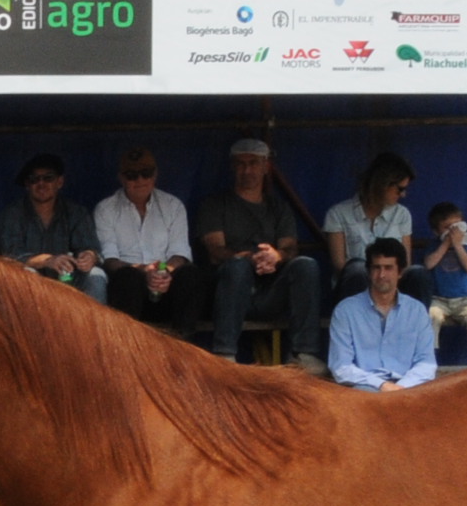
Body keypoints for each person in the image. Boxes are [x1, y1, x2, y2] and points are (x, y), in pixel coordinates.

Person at [197, 138, 326, 372]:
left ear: (266, 166)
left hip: (270, 292)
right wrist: (249, 258)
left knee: (306, 265)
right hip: (230, 293)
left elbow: (290, 247)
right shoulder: (216, 204)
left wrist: (276, 256)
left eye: (254, 163)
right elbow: (215, 250)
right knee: (237, 266)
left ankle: (303, 353)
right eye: (241, 164)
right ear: (232, 167)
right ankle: (225, 354)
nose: (247, 170)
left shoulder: (278, 207)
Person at [93, 146, 200, 333]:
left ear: (155, 174)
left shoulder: (173, 205)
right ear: (121, 178)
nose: (140, 180)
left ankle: (184, 347)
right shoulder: (105, 209)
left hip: (166, 284)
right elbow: (109, 260)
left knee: (190, 275)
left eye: (146, 173)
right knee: (128, 277)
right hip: (129, 291)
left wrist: (165, 272)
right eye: (132, 175)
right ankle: (126, 349)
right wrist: (143, 271)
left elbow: (180, 251)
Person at [328, 238, 439, 392]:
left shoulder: (417, 311)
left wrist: (401, 388)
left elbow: (426, 363)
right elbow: (341, 366)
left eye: (388, 268)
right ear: (368, 271)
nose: (381, 275)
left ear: (400, 272)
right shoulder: (346, 310)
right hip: (365, 389)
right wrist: (382, 385)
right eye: (376, 268)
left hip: (408, 389)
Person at [320, 153, 429, 303]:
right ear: (383, 184)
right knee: (356, 269)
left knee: (418, 273)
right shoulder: (338, 213)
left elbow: (405, 263)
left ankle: (417, 324)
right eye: (400, 189)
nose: (403, 195)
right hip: (356, 287)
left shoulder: (402, 214)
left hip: (393, 286)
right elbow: (340, 266)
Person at [0, 153, 101, 297]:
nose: (41, 184)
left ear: (60, 182)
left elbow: (90, 248)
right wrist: (48, 260)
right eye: (34, 179)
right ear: (27, 185)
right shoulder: (12, 214)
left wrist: (88, 256)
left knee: (96, 275)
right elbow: (11, 256)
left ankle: (95, 321)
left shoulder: (76, 212)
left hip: (68, 281)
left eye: (48, 178)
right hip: (31, 283)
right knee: (27, 274)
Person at [417, 202, 467, 360]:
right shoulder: (434, 245)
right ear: (436, 231)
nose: (452, 231)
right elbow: (429, 264)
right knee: (431, 316)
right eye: (447, 228)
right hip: (438, 299)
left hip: (463, 299)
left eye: (456, 226)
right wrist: (445, 244)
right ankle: (430, 354)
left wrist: (457, 245)